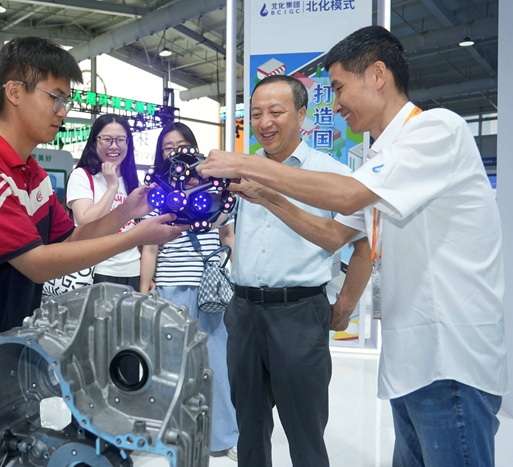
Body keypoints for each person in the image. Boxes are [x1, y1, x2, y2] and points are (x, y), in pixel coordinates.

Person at [198, 25, 508, 467]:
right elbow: (332, 235)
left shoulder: (437, 130)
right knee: (252, 427)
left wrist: (245, 163)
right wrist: (265, 195)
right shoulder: (384, 157)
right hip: (412, 362)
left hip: (450, 361)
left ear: (377, 75)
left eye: (340, 88)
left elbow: (347, 198)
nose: (336, 103)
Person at [0, 36, 186, 467]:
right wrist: (135, 236)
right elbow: (37, 265)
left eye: (66, 100)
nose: (63, 111)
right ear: (14, 92)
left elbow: (69, 241)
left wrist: (127, 212)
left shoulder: (31, 173)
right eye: (55, 97)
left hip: (1, 356)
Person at [198, 74, 371, 467]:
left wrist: (344, 306)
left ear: (302, 115)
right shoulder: (239, 173)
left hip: (299, 314)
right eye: (256, 113)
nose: (265, 122)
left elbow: (361, 247)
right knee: (249, 429)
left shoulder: (331, 174)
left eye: (276, 112)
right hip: (243, 311)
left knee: (305, 432)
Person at [139, 121, 239, 460]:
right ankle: (173, 436)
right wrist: (145, 288)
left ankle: (223, 437)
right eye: (167, 147)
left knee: (217, 364)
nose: (175, 152)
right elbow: (149, 247)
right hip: (170, 287)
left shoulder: (215, 188)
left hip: (210, 289)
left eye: (181, 145)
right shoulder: (158, 191)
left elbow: (228, 235)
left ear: (193, 147)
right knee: (170, 367)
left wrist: (228, 270)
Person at [67, 114, 141, 290]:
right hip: (95, 268)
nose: (114, 146)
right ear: (95, 142)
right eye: (107, 139)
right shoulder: (81, 176)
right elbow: (86, 221)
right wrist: (112, 186)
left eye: (120, 140)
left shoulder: (133, 181)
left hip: (132, 271)